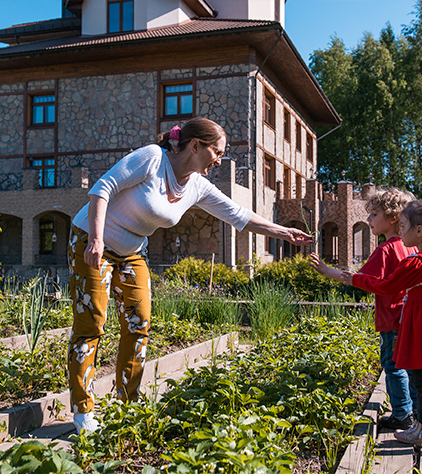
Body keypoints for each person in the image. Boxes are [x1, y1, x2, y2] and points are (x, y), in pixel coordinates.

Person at [67, 117, 313, 434]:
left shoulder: (196, 186)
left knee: (139, 321)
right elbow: (102, 189)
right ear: (195, 145)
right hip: (92, 239)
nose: (220, 161)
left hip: (132, 251)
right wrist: (97, 239)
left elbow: (238, 215)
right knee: (92, 323)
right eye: (217, 152)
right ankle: (82, 411)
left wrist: (284, 232)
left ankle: (128, 401)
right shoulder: (152, 159)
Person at [331, 199, 422, 456]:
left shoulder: (419, 262)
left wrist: (353, 278)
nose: (400, 232)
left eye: (403, 226)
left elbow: (387, 286)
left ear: (419, 231)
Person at [310, 187, 418, 431]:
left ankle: (402, 415)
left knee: (393, 366)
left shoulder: (386, 249)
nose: (368, 219)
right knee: (409, 365)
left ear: (392, 218)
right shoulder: (411, 246)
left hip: (392, 319)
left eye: (374, 214)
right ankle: (414, 411)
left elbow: (360, 280)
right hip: (410, 316)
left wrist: (327, 271)